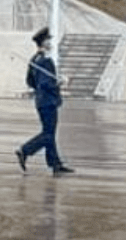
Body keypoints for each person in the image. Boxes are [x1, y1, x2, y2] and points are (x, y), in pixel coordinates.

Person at [16, 27, 75, 176]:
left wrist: (41, 89)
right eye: (48, 39)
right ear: (44, 42)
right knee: (48, 135)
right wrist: (60, 82)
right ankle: (25, 150)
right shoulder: (46, 62)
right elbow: (46, 84)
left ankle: (55, 164)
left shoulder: (34, 60)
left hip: (41, 101)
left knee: (49, 133)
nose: (50, 42)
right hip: (48, 102)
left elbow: (30, 81)